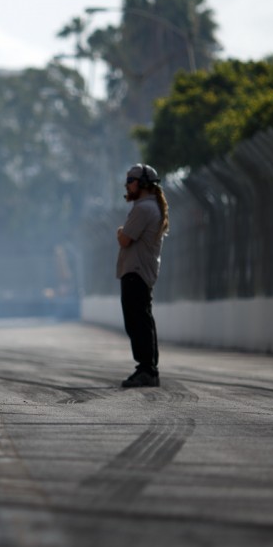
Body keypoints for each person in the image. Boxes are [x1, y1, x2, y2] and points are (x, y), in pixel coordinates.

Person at [116, 163, 169, 388]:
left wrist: (120, 231)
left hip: (136, 271)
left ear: (142, 183)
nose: (127, 185)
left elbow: (125, 238)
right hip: (139, 271)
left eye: (130, 180)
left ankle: (147, 369)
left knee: (137, 322)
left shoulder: (143, 209)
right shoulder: (149, 207)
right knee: (141, 320)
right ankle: (148, 368)